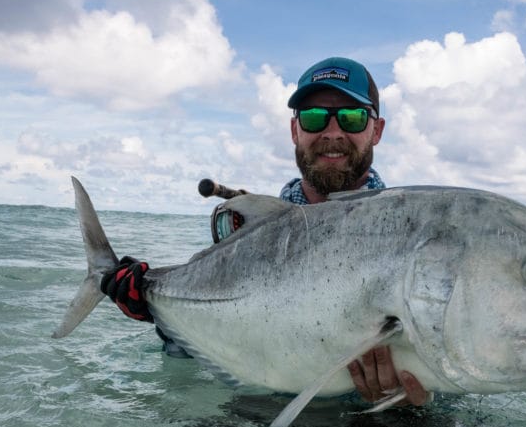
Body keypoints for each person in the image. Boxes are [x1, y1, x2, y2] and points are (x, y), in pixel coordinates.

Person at [102, 57, 428, 408]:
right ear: (294, 131)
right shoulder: (254, 239)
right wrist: (154, 307)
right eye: (314, 117)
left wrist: (415, 407)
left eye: (351, 117)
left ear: (376, 131)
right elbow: (195, 353)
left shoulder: (412, 238)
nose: (332, 132)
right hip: (261, 412)